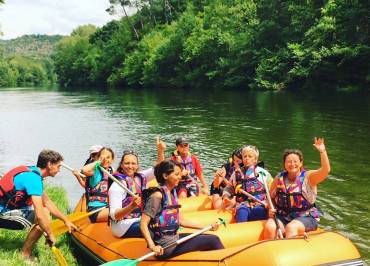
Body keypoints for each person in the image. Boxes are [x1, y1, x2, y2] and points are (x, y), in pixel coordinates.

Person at [0, 149, 78, 261]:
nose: (59, 170)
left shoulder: (32, 172)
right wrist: (50, 234)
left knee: (45, 212)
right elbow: (40, 215)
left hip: (6, 209)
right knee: (43, 216)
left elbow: (47, 202)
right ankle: (25, 255)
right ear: (49, 164)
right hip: (2, 213)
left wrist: (66, 220)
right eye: (58, 166)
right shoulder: (34, 179)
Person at [140, 160, 224, 259]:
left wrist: (206, 227)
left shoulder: (171, 193)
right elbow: (143, 223)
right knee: (213, 240)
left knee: (206, 236)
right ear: (165, 176)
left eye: (180, 174)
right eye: (176, 174)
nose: (180, 177)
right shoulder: (157, 196)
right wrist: (152, 246)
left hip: (174, 239)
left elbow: (182, 221)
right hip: (165, 246)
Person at [264, 137, 330, 239]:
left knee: (291, 227)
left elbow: (325, 171)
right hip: (283, 216)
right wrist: (270, 208)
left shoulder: (309, 177)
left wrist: (322, 151)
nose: (292, 164)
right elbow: (270, 196)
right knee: (270, 227)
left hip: (306, 217)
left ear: (301, 163)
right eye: (289, 162)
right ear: (284, 164)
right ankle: (270, 252)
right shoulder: (279, 178)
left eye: (295, 161)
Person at [108, 137, 166, 238]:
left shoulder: (141, 176)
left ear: (137, 165)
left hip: (140, 218)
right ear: (121, 165)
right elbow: (113, 215)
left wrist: (160, 151)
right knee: (157, 225)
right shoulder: (117, 186)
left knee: (166, 220)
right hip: (122, 225)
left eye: (133, 163)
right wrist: (132, 206)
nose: (130, 166)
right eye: (127, 163)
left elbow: (158, 168)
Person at [222, 145, 273, 223]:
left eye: (250, 156)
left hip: (260, 203)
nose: (247, 158)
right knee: (242, 211)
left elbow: (272, 190)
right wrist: (226, 196)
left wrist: (269, 204)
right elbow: (229, 188)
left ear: (255, 160)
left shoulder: (262, 173)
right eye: (245, 156)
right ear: (242, 158)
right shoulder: (236, 173)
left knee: (259, 211)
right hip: (243, 204)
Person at [80, 147, 115, 223]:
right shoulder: (95, 171)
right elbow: (83, 170)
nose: (105, 159)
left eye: (108, 157)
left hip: (107, 207)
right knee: (121, 213)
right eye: (102, 157)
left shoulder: (112, 172)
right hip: (96, 210)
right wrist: (98, 161)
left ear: (112, 160)